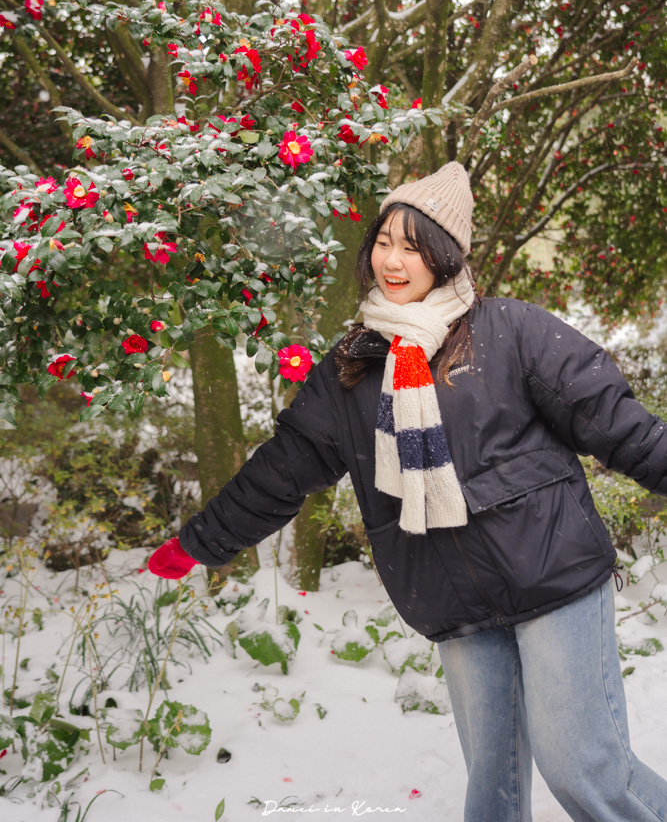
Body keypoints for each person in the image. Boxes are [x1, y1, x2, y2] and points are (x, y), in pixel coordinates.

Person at [149, 161, 667, 822]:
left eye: (414, 246)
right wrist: (200, 541)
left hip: (551, 574)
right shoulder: (352, 367)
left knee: (583, 772)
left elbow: (618, 425)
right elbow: (285, 466)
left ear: (446, 258)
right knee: (492, 789)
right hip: (449, 592)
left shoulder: (511, 331)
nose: (393, 260)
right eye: (384, 242)